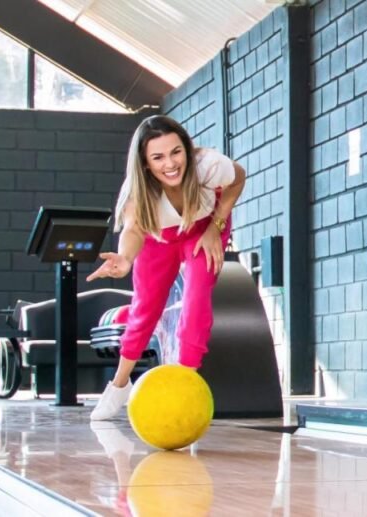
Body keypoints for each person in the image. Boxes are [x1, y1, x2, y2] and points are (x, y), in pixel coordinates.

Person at [86, 115, 246, 421]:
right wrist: (125, 259)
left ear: (186, 148)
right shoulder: (136, 194)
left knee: (197, 299)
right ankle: (119, 385)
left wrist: (217, 224)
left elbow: (238, 178)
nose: (170, 164)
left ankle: (183, 385)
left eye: (176, 152)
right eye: (158, 157)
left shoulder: (208, 165)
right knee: (145, 307)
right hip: (159, 236)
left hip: (204, 227)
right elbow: (133, 231)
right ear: (145, 163)